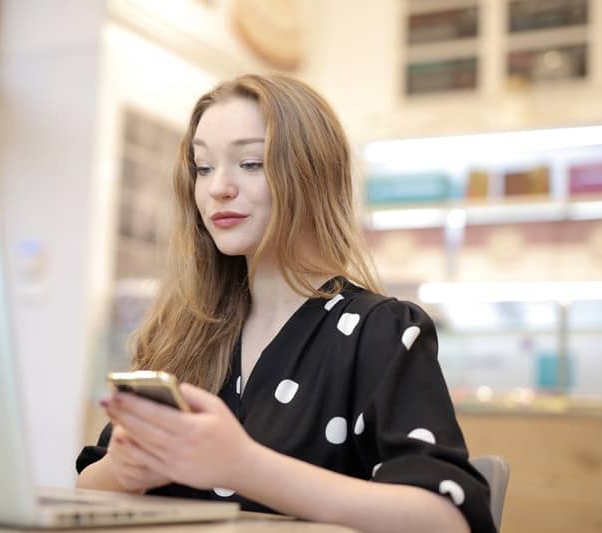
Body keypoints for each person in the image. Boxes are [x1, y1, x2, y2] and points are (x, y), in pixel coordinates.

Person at [76, 74, 496, 532]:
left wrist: (243, 466)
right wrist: (125, 468)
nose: (218, 187)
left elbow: (449, 520)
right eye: (203, 167)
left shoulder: (379, 332)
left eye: (251, 163)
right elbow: (88, 492)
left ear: (312, 173)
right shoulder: (183, 333)